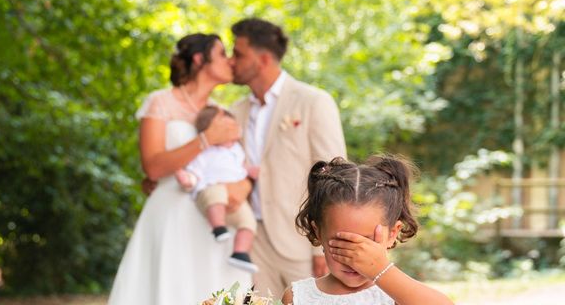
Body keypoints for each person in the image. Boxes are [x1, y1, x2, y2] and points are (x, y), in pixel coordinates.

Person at [107, 33, 253, 305]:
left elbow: (235, 166)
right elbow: (152, 167)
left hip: (214, 218)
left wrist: (242, 186)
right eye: (222, 54)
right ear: (199, 59)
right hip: (170, 214)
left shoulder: (221, 112)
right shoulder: (160, 102)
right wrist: (206, 139)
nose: (230, 61)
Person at [228, 18, 347, 299]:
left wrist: (323, 246)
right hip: (250, 240)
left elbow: (333, 175)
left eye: (238, 54)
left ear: (263, 59)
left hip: (301, 237)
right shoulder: (235, 111)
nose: (231, 61)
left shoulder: (313, 101)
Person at [282, 156, 454, 305]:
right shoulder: (298, 296)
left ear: (392, 233)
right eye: (343, 244)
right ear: (318, 231)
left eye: (366, 243)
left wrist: (381, 270)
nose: (354, 258)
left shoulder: (397, 294)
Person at [175, 105, 259, 273]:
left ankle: (240, 252)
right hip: (210, 188)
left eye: (234, 128)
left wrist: (250, 171)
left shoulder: (236, 150)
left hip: (235, 196)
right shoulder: (206, 152)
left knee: (248, 221)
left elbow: (240, 167)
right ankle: (218, 226)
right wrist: (188, 179)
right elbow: (195, 171)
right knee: (216, 195)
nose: (233, 132)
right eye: (227, 128)